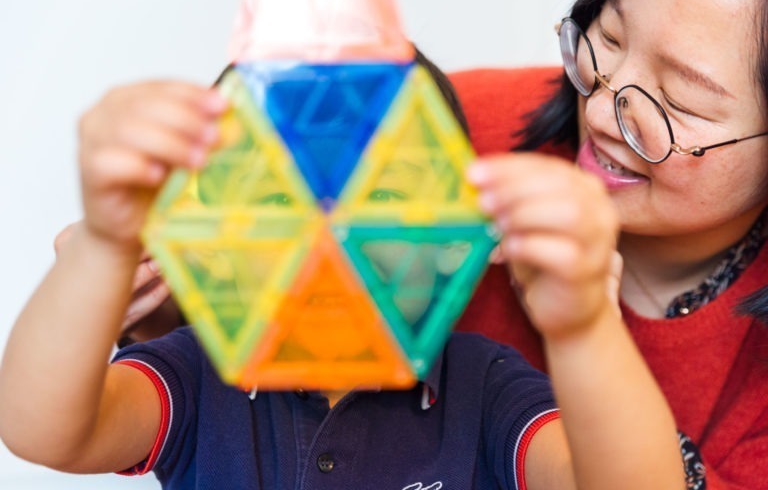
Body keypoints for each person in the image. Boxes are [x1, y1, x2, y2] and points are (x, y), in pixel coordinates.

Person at [0, 44, 686, 488]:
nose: (325, 237)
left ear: (462, 239)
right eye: (275, 195)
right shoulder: (197, 375)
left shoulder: (486, 386)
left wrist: (583, 328)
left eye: (384, 191)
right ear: (209, 239)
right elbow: (39, 429)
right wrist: (103, 245)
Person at [450, 0, 768, 488]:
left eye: (681, 100)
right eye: (611, 42)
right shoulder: (454, 139)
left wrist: (584, 326)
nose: (598, 114)